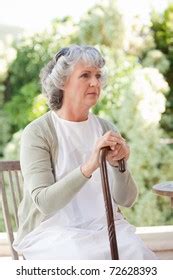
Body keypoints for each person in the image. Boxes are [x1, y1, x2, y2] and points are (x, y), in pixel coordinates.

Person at [13, 45, 156, 260]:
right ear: (63, 82)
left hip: (103, 226)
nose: (95, 82)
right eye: (85, 75)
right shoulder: (38, 132)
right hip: (51, 232)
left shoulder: (106, 129)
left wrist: (120, 165)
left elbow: (127, 199)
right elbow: (44, 202)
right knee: (81, 258)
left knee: (138, 253)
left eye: (98, 75)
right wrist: (90, 166)